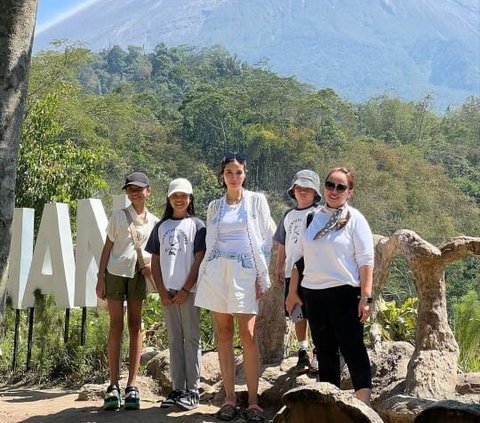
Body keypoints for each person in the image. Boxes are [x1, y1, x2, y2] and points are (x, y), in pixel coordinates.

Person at [194, 152, 273, 422]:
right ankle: (228, 398)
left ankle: (253, 401)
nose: (234, 177)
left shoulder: (256, 201)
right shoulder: (215, 207)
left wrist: (261, 276)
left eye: (238, 172)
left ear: (245, 174)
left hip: (245, 270)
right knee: (224, 332)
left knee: (248, 335)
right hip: (218, 270)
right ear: (222, 176)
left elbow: (265, 239)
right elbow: (212, 242)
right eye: (229, 172)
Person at [286, 167, 374, 405]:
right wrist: (293, 291)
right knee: (324, 351)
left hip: (345, 293)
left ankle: (363, 406)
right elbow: (300, 258)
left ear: (350, 192)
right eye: (330, 185)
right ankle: (330, 405)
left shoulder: (355, 219)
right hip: (314, 293)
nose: (334, 191)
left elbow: (366, 261)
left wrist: (366, 297)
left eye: (341, 187)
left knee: (352, 347)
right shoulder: (312, 218)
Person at [96, 171, 159, 410]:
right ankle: (113, 384)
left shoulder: (154, 221)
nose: (135, 192)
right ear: (127, 192)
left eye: (139, 188)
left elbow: (155, 253)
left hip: (137, 275)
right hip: (114, 273)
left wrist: (151, 267)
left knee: (135, 325)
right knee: (116, 325)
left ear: (148, 191)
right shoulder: (118, 216)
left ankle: (132, 384)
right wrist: (100, 278)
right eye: (130, 188)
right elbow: (107, 247)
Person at [145, 178, 206, 411]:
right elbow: (156, 261)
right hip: (168, 293)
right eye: (175, 196)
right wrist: (161, 291)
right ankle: (177, 388)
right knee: (174, 340)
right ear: (169, 199)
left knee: (191, 339)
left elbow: (199, 259)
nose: (179, 200)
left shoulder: (197, 225)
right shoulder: (161, 227)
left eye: (184, 196)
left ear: (190, 199)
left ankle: (193, 390)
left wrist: (185, 289)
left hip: (188, 292)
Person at [273, 169, 321, 375]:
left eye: (307, 189)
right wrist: (279, 265)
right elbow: (282, 243)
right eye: (299, 188)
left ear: (315, 193)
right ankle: (302, 350)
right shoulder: (288, 215)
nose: (303, 192)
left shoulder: (318, 214)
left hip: (311, 271)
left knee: (316, 312)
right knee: (296, 312)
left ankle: (319, 353)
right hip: (288, 272)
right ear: (293, 190)